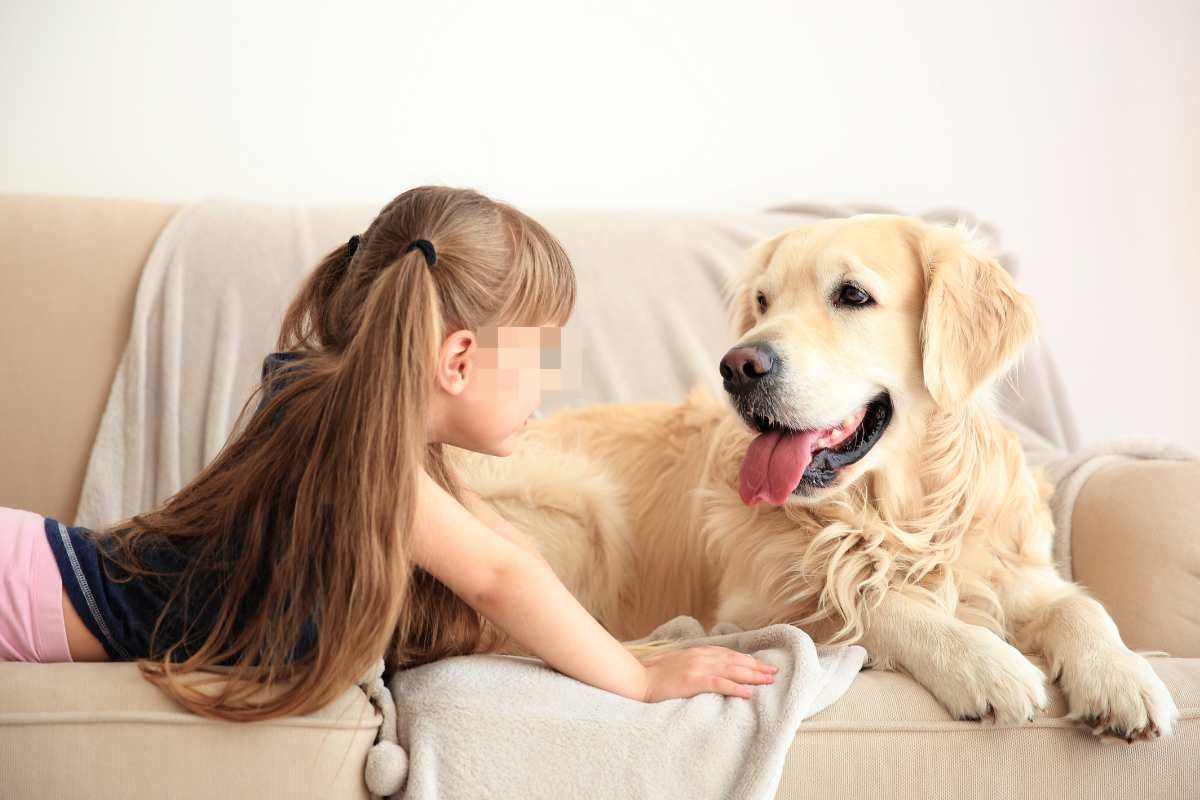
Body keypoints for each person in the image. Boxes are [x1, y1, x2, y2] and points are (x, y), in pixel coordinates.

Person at [0, 186, 777, 722]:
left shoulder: (385, 436)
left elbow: (511, 550)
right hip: (24, 584)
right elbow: (499, 579)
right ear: (459, 360)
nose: (550, 384)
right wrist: (637, 682)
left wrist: (622, 646)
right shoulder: (341, 435)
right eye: (541, 356)